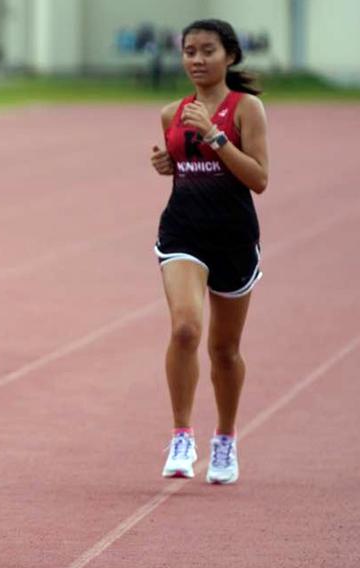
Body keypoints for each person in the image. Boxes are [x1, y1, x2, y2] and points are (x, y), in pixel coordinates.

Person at [149, 19, 268, 485]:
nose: (196, 60)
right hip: (182, 232)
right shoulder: (171, 113)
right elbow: (187, 171)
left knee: (224, 349)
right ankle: (182, 434)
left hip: (234, 236)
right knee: (184, 329)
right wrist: (166, 166)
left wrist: (217, 139)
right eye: (189, 51)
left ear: (230, 57)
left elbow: (258, 178)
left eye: (207, 51)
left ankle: (225, 438)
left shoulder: (247, 109)